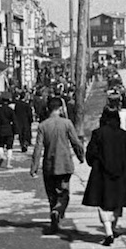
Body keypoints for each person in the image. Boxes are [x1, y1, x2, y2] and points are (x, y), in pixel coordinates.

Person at [30, 96, 85, 233]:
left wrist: (34, 167)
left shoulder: (43, 125)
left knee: (51, 194)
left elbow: (38, 147)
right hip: (65, 164)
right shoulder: (67, 123)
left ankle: (54, 218)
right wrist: (81, 156)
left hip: (49, 165)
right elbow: (75, 142)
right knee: (63, 193)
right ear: (60, 108)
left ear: (48, 108)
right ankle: (58, 211)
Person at [81, 108, 126, 246]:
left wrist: (93, 163)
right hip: (119, 173)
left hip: (101, 173)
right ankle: (113, 229)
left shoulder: (98, 133)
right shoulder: (123, 134)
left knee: (102, 204)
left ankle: (108, 232)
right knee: (117, 203)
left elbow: (91, 153)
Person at [0, 95, 16, 168]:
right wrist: (15, 130)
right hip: (9, 129)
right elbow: (14, 120)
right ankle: (8, 163)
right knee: (9, 147)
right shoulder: (10, 110)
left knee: (0, 145)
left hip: (0, 129)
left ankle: (2, 156)